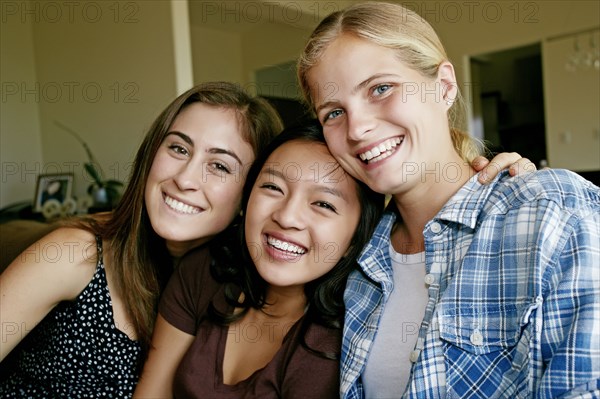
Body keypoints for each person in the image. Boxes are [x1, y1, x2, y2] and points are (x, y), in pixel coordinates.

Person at [297, 2, 600, 398]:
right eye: (334, 112)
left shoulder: (549, 210)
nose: (357, 128)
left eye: (380, 88)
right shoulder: (356, 256)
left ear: (443, 86)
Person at [0, 82, 283, 397]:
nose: (185, 178)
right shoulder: (73, 253)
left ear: (251, 195)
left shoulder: (241, 297)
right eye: (178, 148)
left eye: (219, 166)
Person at [134, 120, 385, 398]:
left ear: (355, 239)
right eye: (273, 188)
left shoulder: (337, 343)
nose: (286, 217)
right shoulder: (204, 270)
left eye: (323, 204)